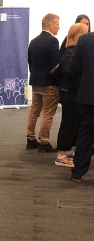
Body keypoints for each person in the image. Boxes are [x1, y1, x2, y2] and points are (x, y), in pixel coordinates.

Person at [26, 13, 61, 153]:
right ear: (51, 25)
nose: (59, 28)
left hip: (36, 82)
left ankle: (30, 139)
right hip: (49, 84)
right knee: (47, 113)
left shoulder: (33, 41)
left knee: (34, 111)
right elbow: (56, 65)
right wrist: (58, 82)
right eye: (57, 25)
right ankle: (44, 142)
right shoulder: (53, 41)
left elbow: (30, 62)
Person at [54, 23, 88, 167]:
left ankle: (67, 151)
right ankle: (61, 155)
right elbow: (69, 73)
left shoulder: (73, 52)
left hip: (73, 93)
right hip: (69, 93)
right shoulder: (70, 52)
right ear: (76, 35)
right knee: (68, 124)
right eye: (84, 33)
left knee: (73, 123)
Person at [68, 29, 94, 182]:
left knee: (86, 133)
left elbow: (73, 68)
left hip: (87, 95)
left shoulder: (84, 40)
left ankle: (77, 172)